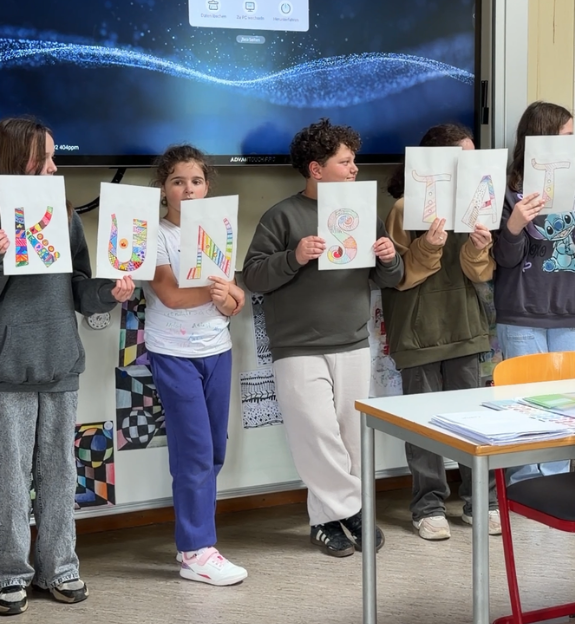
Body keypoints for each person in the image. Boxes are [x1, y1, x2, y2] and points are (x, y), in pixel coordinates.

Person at [0, 117, 134, 615]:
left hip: (59, 365)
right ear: (13, 160)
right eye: (44, 158)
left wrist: (107, 292)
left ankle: (60, 566)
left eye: (54, 157)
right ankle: (8, 574)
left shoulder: (65, 216)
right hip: (6, 371)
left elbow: (78, 285)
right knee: (8, 478)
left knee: (58, 473)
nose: (54, 167)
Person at [243, 118, 401, 558]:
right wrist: (293, 257)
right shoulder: (281, 215)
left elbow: (392, 277)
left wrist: (388, 257)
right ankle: (353, 510)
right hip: (297, 347)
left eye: (354, 161)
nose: (354, 169)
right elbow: (255, 276)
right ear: (316, 169)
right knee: (316, 435)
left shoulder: (364, 214)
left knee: (349, 437)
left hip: (352, 341)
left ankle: (325, 523)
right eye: (345, 161)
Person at [382, 123, 501, 540]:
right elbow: (399, 276)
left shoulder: (476, 205)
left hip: (464, 326)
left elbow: (481, 273)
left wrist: (477, 247)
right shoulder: (403, 208)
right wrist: (430, 244)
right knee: (423, 423)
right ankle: (427, 505)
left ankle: (480, 500)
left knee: (472, 421)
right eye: (460, 156)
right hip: (418, 334)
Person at [493, 101, 575, 486]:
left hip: (566, 310)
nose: (573, 143)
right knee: (524, 405)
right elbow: (504, 259)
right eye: (566, 136)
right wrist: (513, 226)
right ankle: (525, 483)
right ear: (542, 140)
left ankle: (557, 479)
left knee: (563, 403)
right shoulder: (510, 191)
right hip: (522, 311)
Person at [142, 144, 248, 585]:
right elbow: (170, 294)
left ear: (207, 187)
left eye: (197, 181)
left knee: (214, 451)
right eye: (178, 181)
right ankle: (195, 550)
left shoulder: (217, 230)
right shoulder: (153, 234)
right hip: (174, 355)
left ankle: (200, 543)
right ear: (163, 188)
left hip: (216, 351)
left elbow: (234, 299)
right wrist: (217, 291)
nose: (188, 189)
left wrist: (231, 298)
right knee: (195, 454)